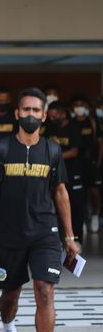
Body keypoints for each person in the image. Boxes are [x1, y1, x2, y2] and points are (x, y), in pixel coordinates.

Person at [0, 88, 78, 332]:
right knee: (10, 295)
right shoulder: (3, 148)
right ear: (17, 114)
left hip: (45, 231)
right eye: (26, 110)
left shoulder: (53, 150)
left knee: (45, 290)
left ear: (44, 116)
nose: (30, 115)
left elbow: (60, 192)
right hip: (9, 231)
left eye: (36, 111)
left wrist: (69, 236)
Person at [45, 101, 86, 244]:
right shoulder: (49, 129)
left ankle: (76, 239)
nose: (51, 119)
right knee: (56, 207)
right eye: (49, 116)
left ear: (63, 114)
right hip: (54, 175)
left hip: (72, 173)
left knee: (75, 207)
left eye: (54, 116)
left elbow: (74, 152)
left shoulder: (73, 128)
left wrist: (54, 156)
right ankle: (59, 238)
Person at [70, 94, 100, 233]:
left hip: (91, 162)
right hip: (75, 163)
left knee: (93, 190)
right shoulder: (70, 123)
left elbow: (99, 143)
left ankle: (95, 215)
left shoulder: (92, 122)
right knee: (78, 193)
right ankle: (80, 219)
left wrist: (98, 161)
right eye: (76, 105)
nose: (79, 108)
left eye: (82, 104)